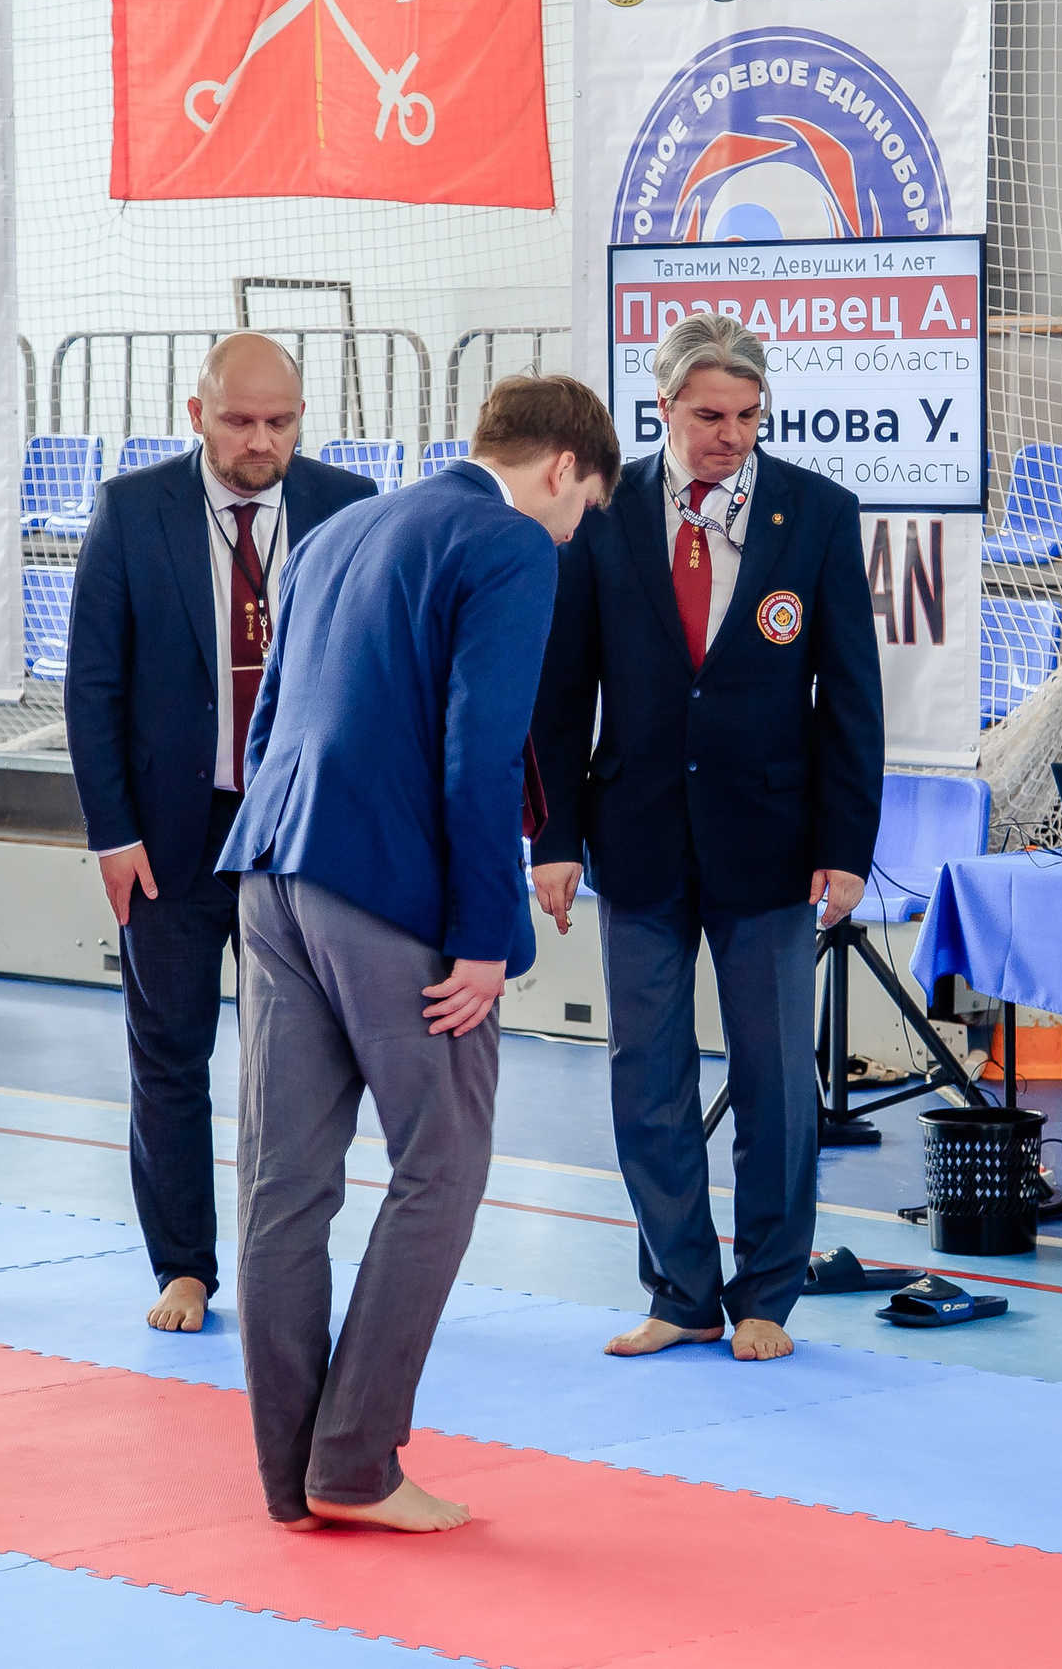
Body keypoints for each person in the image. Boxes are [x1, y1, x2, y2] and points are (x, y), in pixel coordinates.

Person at [219, 373, 618, 1533]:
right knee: (440, 1168)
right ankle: (353, 1463)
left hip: (275, 870)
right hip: (389, 893)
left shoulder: (337, 530)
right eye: (584, 508)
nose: (574, 532)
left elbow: (267, 723)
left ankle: (293, 1475)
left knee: (283, 1187)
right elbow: (479, 749)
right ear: (561, 469)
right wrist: (484, 936)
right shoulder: (510, 543)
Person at [530, 312, 885, 1364]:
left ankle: (767, 1291)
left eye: (746, 416)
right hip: (634, 831)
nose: (730, 435)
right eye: (708, 416)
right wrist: (551, 837)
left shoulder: (816, 514)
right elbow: (562, 692)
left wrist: (846, 845)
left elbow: (850, 697)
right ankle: (680, 1290)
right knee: (647, 1077)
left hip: (770, 839)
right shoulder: (605, 513)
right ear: (663, 408)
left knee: (774, 1082)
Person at [65, 334, 376, 1333]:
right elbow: (92, 685)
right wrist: (112, 833)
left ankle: (285, 1264)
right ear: (196, 414)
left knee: (301, 1066)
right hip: (174, 828)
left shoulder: (349, 506)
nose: (260, 442)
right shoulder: (131, 509)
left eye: (280, 422)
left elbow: (376, 676)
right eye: (240, 421)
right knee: (169, 1051)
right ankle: (184, 1267)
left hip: (302, 827)